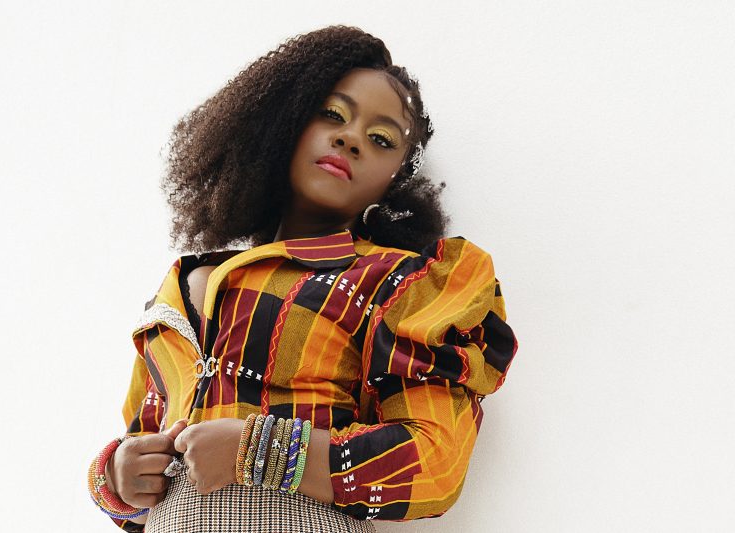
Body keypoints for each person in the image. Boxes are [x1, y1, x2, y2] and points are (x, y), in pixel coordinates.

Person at [87, 25, 518, 533]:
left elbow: (435, 462)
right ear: (284, 121)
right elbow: (142, 440)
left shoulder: (396, 282)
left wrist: (259, 450)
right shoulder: (179, 285)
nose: (350, 138)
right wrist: (119, 476)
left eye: (381, 140)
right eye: (332, 114)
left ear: (396, 178)